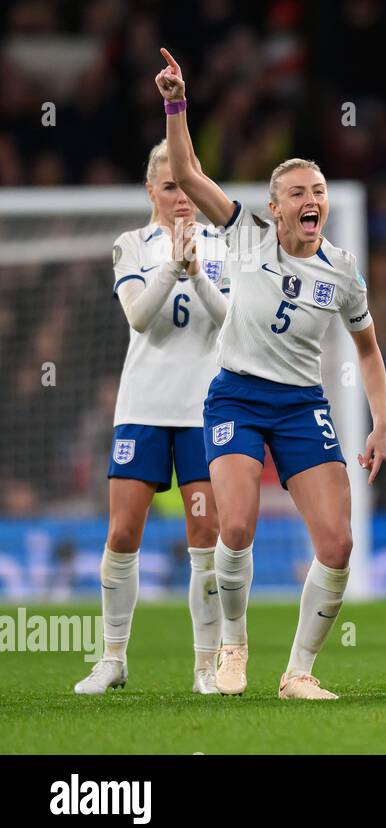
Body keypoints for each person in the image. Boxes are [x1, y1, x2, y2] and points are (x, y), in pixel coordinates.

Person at [155, 48, 386, 700]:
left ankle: (299, 672)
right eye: (298, 193)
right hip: (235, 396)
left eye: (318, 191)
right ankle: (233, 650)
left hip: (301, 404)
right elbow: (186, 171)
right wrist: (177, 104)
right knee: (235, 528)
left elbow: (368, 350)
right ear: (275, 206)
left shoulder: (342, 270)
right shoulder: (244, 235)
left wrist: (380, 423)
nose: (312, 199)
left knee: (338, 544)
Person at [74, 140, 229, 696]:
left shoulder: (221, 244)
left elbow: (229, 321)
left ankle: (204, 668)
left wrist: (198, 272)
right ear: (150, 190)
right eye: (169, 187)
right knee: (122, 531)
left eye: (186, 186)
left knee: (204, 535)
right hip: (142, 407)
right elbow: (140, 318)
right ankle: (113, 658)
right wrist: (172, 267)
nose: (181, 198)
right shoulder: (130, 246)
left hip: (203, 410)